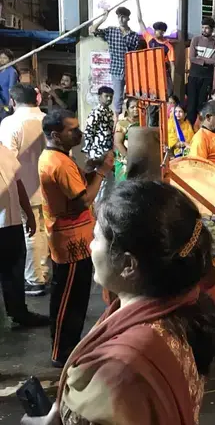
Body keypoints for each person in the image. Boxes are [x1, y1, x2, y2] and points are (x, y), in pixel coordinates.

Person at [21, 181, 215, 425]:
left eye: (96, 237)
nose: (90, 245)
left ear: (128, 265)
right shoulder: (184, 307)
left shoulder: (119, 369)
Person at [39, 109, 114, 366]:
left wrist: (90, 172)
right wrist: (102, 172)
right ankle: (61, 353)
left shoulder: (61, 157)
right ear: (55, 135)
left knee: (76, 299)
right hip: (70, 242)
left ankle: (70, 348)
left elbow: (79, 188)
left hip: (77, 240)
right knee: (67, 302)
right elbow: (83, 200)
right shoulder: (57, 163)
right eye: (72, 129)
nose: (78, 133)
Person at [0, 83, 49, 295]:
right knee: (43, 232)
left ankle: (34, 279)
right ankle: (42, 274)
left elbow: (7, 161)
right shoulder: (46, 118)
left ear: (13, 101)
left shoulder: (11, 123)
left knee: (29, 234)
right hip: (48, 184)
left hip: (24, 188)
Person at [0, 142, 49, 327]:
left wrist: (28, 213)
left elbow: (18, 183)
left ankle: (19, 312)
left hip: (11, 223)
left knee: (14, 270)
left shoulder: (3, 149)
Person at [89, 7, 140, 115]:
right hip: (117, 70)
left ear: (128, 18)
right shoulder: (111, 31)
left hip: (131, 71)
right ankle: (117, 122)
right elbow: (92, 29)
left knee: (135, 96)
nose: (121, 19)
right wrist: (103, 18)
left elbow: (135, 53)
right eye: (119, 17)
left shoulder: (134, 35)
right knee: (117, 98)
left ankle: (131, 119)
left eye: (123, 17)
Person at [81, 86, 115, 203]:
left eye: (111, 96)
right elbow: (89, 133)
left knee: (107, 182)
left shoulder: (110, 112)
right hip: (97, 153)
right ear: (100, 97)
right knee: (99, 182)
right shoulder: (95, 112)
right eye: (106, 96)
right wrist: (88, 153)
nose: (109, 99)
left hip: (107, 152)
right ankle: (96, 209)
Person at [187, 17, 215, 124]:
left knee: (202, 104)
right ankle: (190, 127)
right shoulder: (196, 39)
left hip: (207, 77)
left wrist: (200, 59)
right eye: (203, 27)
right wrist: (207, 61)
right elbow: (192, 58)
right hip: (194, 75)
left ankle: (200, 126)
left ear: (212, 29)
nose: (204, 30)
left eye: (207, 28)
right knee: (191, 104)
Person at [135, 0, 175, 91]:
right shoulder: (150, 38)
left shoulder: (168, 46)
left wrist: (172, 83)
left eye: (160, 30)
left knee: (165, 95)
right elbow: (140, 21)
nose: (158, 32)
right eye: (156, 30)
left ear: (163, 32)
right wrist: (137, 0)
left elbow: (172, 66)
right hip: (150, 71)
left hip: (163, 73)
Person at [113, 97, 141, 182]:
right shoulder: (122, 123)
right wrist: (128, 158)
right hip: (125, 162)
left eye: (138, 107)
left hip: (138, 160)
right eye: (132, 107)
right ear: (127, 109)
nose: (135, 109)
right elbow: (117, 142)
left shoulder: (143, 122)